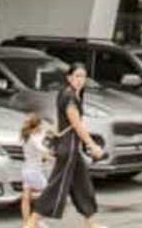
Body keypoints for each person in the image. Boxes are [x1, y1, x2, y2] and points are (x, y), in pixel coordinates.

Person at [33, 64, 106, 228]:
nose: (80, 80)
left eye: (83, 76)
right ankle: (32, 223)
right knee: (56, 188)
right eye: (77, 76)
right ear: (69, 78)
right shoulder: (70, 97)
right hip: (68, 148)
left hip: (72, 147)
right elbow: (76, 125)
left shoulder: (72, 94)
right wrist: (92, 145)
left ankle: (91, 223)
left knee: (82, 185)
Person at [19, 113, 53, 228]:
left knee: (26, 197)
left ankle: (26, 223)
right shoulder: (34, 140)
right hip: (34, 172)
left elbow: (44, 133)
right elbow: (43, 151)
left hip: (26, 170)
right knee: (47, 194)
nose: (42, 127)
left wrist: (47, 131)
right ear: (36, 125)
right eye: (40, 124)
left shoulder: (26, 136)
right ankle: (37, 221)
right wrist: (53, 157)